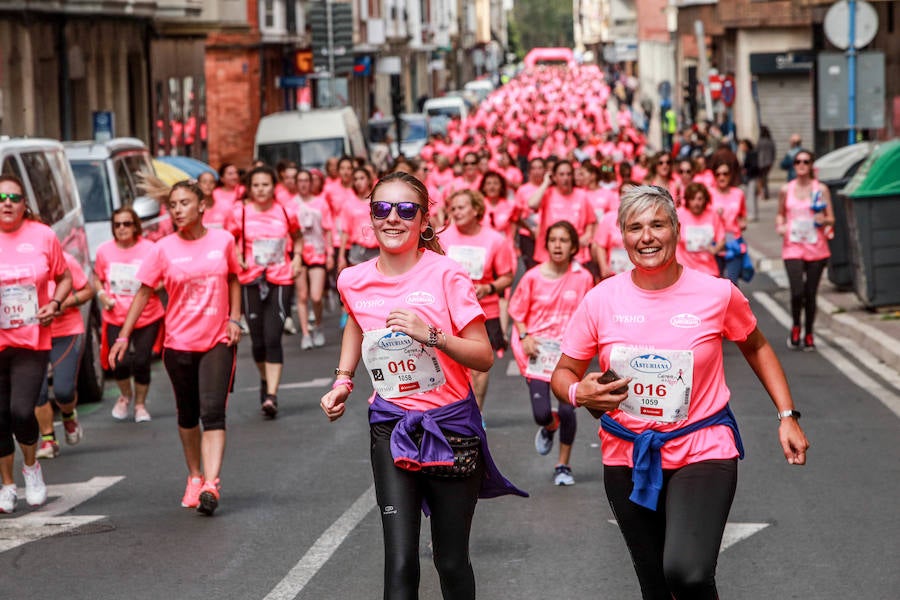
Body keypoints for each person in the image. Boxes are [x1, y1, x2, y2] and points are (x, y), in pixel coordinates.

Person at [551, 185, 809, 599]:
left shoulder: (717, 293)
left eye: (657, 224)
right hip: (627, 453)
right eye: (635, 227)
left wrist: (787, 416)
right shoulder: (601, 300)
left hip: (702, 447)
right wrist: (581, 392)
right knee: (655, 586)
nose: (647, 236)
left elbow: (756, 345)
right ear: (622, 235)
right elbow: (563, 373)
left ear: (676, 229)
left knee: (686, 572)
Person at [319, 171, 526, 599]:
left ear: (424, 221)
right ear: (371, 218)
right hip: (391, 426)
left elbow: (483, 355)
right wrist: (343, 379)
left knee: (449, 561)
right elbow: (357, 323)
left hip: (451, 427)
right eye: (382, 208)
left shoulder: (448, 275)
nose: (393, 218)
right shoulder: (352, 279)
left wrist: (430, 334)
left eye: (405, 209)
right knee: (399, 562)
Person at [109, 180, 243, 516]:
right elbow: (143, 291)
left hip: (216, 340)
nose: (178, 209)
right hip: (178, 343)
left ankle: (212, 483)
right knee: (187, 414)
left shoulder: (223, 240)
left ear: (202, 206)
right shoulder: (162, 248)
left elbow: (233, 278)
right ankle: (194, 476)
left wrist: (235, 319)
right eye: (173, 204)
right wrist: (123, 335)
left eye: (184, 202)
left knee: (213, 412)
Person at [0, 174, 73, 513]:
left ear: (24, 204)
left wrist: (55, 304)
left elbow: (65, 277)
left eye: (14, 197)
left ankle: (31, 469)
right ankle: (7, 485)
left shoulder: (43, 236)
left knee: (20, 411)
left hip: (31, 339)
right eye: (1, 197)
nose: (7, 203)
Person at [508, 221, 594, 486]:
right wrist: (524, 336)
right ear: (546, 245)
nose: (558, 245)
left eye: (564, 240)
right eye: (553, 240)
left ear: (573, 247)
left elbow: (590, 315)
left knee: (569, 411)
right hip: (537, 355)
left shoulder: (584, 278)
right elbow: (518, 312)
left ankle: (563, 466)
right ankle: (549, 426)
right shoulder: (533, 276)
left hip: (568, 356)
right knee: (541, 412)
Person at [227, 166, 302, 418]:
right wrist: (238, 256)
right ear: (249, 188)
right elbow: (229, 242)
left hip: (280, 278)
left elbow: (297, 235)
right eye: (256, 185)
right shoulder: (240, 213)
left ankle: (271, 394)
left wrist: (297, 258)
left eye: (266, 184)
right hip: (250, 279)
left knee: (273, 338)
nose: (261, 189)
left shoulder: (285, 211)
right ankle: (264, 378)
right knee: (258, 342)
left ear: (274, 186)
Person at [441, 189, 515, 413]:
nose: (456, 212)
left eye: (461, 207)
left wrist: (489, 287)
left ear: (476, 209)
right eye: (453, 208)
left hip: (484, 311)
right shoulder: (441, 237)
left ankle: (476, 412)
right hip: (448, 311)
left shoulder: (494, 240)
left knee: (478, 367)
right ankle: (454, 410)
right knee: (451, 365)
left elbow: (507, 276)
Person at [94, 207, 166, 422]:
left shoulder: (150, 249)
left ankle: (141, 405)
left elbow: (164, 278)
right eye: (117, 225)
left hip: (147, 314)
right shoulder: (104, 251)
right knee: (120, 361)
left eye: (127, 224)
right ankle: (126, 395)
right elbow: (97, 277)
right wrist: (101, 295)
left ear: (135, 226)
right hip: (116, 314)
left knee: (142, 361)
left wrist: (148, 288)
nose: (122, 228)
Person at [34, 251, 93, 458]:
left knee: (63, 390)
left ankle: (68, 415)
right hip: (32, 335)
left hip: (66, 332)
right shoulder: (13, 263)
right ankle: (48, 440)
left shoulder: (63, 259)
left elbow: (87, 291)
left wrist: (63, 304)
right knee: (37, 391)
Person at [776, 149, 834, 351]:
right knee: (797, 292)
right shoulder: (786, 190)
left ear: (811, 166)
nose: (801, 165)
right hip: (792, 247)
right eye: (798, 161)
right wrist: (780, 226)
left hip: (816, 247)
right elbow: (780, 215)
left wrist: (823, 220)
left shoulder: (821, 189)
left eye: (806, 161)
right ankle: (795, 326)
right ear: (793, 166)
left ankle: (809, 332)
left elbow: (831, 218)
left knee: (810, 293)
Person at [291, 169, 334, 350]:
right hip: (298, 254)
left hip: (317, 251)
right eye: (299, 180)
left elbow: (328, 229)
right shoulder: (289, 205)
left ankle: (317, 326)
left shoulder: (320, 203)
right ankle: (306, 334)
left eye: (306, 181)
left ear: (311, 183)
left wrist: (330, 252)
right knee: (302, 296)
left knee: (316, 297)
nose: (303, 184)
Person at [709, 151, 748, 285]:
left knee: (732, 284)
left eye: (725, 174)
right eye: (718, 174)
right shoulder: (709, 194)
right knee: (716, 283)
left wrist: (742, 224)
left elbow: (743, 216)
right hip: (714, 242)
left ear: (730, 175)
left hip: (733, 240)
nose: (722, 177)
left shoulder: (738, 194)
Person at [676, 182, 726, 278]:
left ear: (705, 200)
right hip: (685, 271)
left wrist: (715, 249)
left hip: (708, 270)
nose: (696, 203)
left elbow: (722, 238)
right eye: (692, 199)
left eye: (700, 199)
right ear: (687, 200)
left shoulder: (712, 215)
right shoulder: (679, 214)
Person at [756, 125, 776, 200]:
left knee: (761, 178)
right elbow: (774, 152)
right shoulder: (770, 141)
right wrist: (772, 161)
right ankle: (765, 192)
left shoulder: (760, 142)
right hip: (768, 162)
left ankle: (762, 193)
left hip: (760, 162)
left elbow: (756, 151)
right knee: (765, 178)